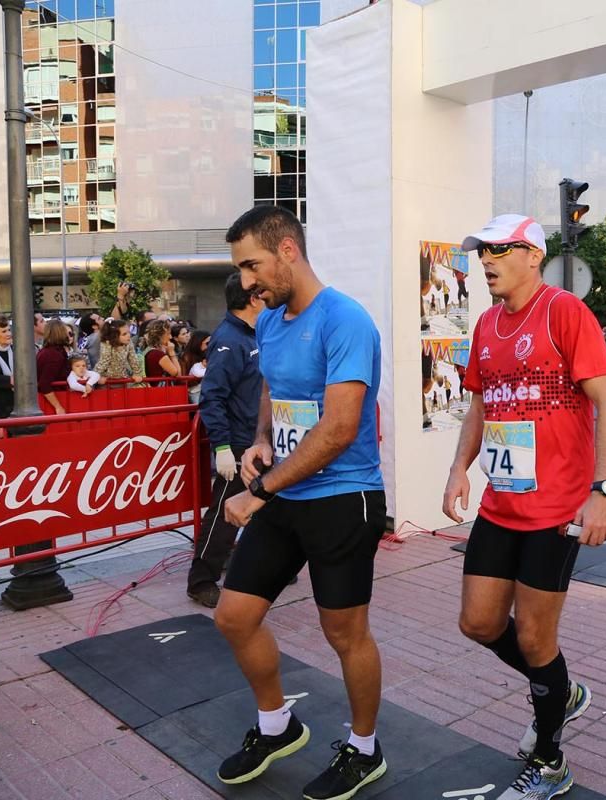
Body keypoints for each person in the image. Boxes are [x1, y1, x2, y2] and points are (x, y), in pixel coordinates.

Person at [443, 214, 606, 800]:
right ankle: (561, 692)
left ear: (531, 254)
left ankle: (550, 763)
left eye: (498, 250)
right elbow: (481, 409)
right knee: (479, 623)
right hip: (500, 504)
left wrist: (604, 491)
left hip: (558, 510)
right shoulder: (487, 322)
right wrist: (457, 470)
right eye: (482, 252)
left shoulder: (565, 312)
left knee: (536, 642)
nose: (486, 261)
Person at [215, 206, 388, 800]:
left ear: (287, 250)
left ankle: (364, 749)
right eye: (240, 269)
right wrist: (261, 440)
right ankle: (276, 724)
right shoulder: (268, 322)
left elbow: (340, 430)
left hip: (344, 498)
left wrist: (258, 492)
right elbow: (274, 388)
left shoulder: (346, 320)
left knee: (345, 635)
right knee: (234, 616)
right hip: (286, 493)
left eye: (251, 265)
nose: (246, 281)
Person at [188, 273, 265, 607]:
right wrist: (221, 447)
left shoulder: (254, 333)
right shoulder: (229, 340)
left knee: (265, 506)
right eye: (262, 292)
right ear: (251, 298)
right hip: (235, 442)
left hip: (257, 440)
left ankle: (256, 563)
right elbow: (212, 396)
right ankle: (201, 579)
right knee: (223, 512)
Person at [36, 318, 73, 415]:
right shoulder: (53, 355)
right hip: (52, 402)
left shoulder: (53, 351)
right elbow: (44, 384)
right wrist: (58, 406)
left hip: (58, 396)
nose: (68, 334)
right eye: (65, 331)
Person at [96, 319, 145, 384]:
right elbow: (104, 361)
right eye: (124, 334)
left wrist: (137, 373)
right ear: (114, 336)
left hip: (122, 378)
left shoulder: (128, 342)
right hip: (107, 380)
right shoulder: (107, 344)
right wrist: (97, 376)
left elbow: (133, 358)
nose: (129, 335)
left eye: (129, 332)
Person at [180, 330, 211, 404]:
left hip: (206, 391)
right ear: (198, 342)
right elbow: (182, 379)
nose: (210, 346)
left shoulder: (207, 355)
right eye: (207, 343)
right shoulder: (186, 357)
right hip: (192, 392)